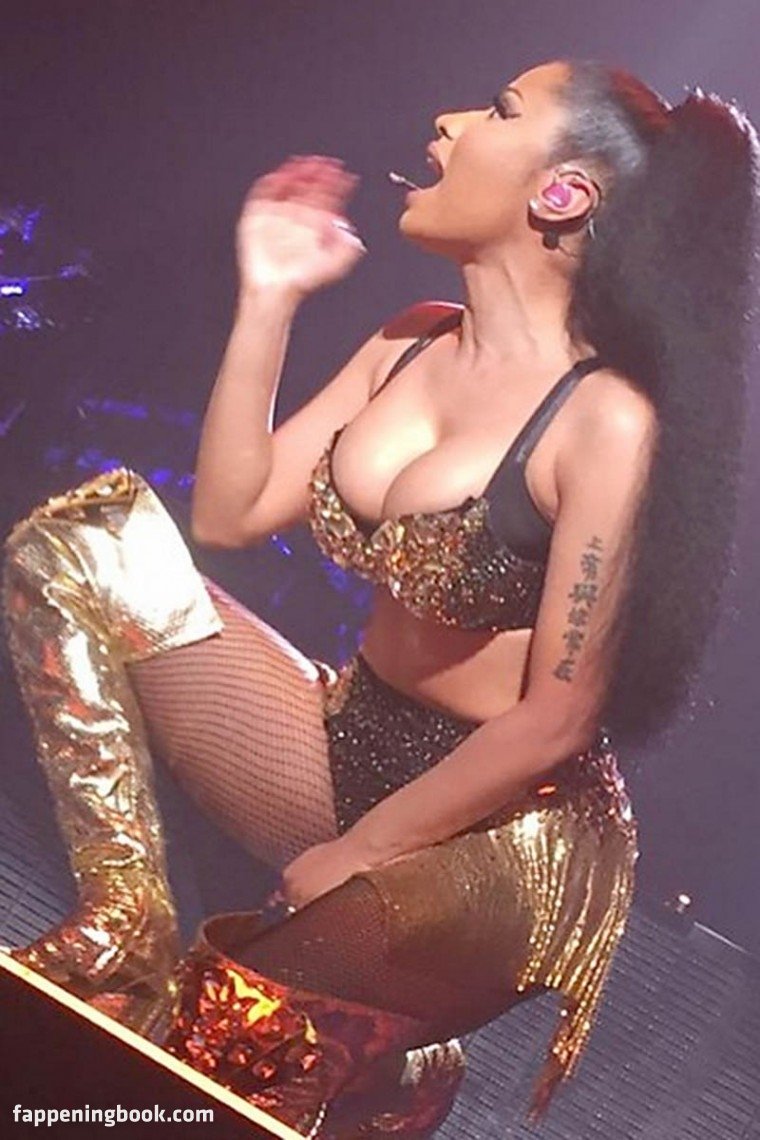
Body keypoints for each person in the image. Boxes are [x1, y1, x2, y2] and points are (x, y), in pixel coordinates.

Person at [4, 59, 756, 1137]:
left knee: (217, 1044)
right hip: (348, 737)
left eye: (498, 111)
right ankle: (123, 928)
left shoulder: (609, 423)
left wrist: (360, 855)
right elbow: (231, 512)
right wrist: (269, 297)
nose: (446, 120)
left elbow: (558, 718)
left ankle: (386, 1071)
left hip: (500, 833)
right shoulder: (411, 338)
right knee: (89, 542)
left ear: (562, 192)